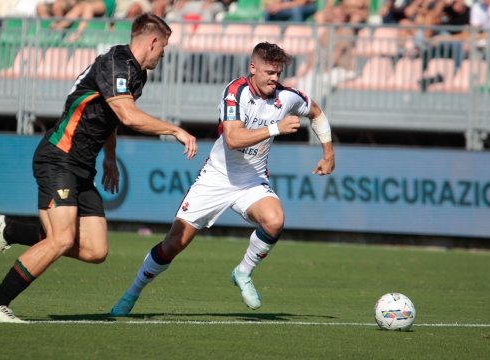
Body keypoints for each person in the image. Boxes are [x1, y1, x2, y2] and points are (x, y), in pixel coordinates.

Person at [0, 13, 198, 323]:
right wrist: (175, 130)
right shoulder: (115, 63)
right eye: (164, 46)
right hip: (59, 157)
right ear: (152, 41)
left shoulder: (137, 75)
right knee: (62, 239)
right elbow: (128, 114)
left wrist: (110, 158)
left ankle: (11, 230)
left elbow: (111, 118)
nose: (164, 52)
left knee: (95, 250)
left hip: (82, 168)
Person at [110, 42, 336, 316]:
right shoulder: (235, 91)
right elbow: (232, 139)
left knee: (275, 220)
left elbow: (316, 112)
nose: (275, 78)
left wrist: (328, 152)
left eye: (278, 73)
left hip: (251, 180)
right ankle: (132, 293)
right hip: (216, 178)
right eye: (269, 72)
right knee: (173, 245)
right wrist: (275, 127)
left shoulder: (286, 97)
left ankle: (243, 273)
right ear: (253, 68)